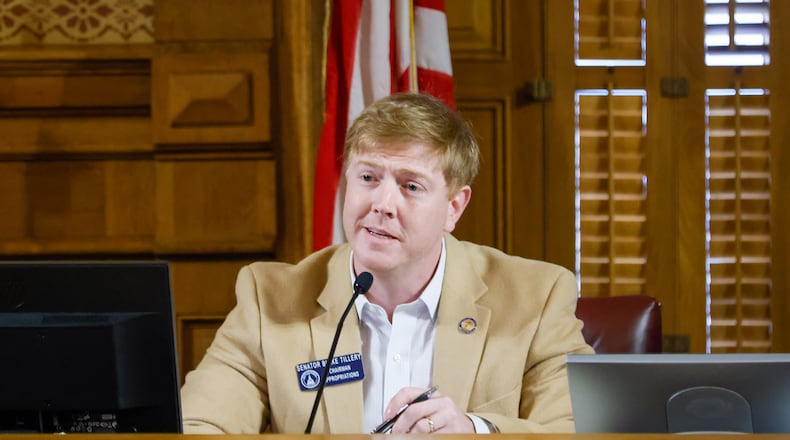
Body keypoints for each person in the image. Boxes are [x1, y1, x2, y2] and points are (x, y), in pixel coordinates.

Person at [180, 92, 594, 434]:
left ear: (454, 207)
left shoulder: (535, 298)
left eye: (410, 186)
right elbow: (198, 426)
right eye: (368, 178)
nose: (382, 204)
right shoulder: (270, 300)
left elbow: (581, 429)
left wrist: (475, 430)